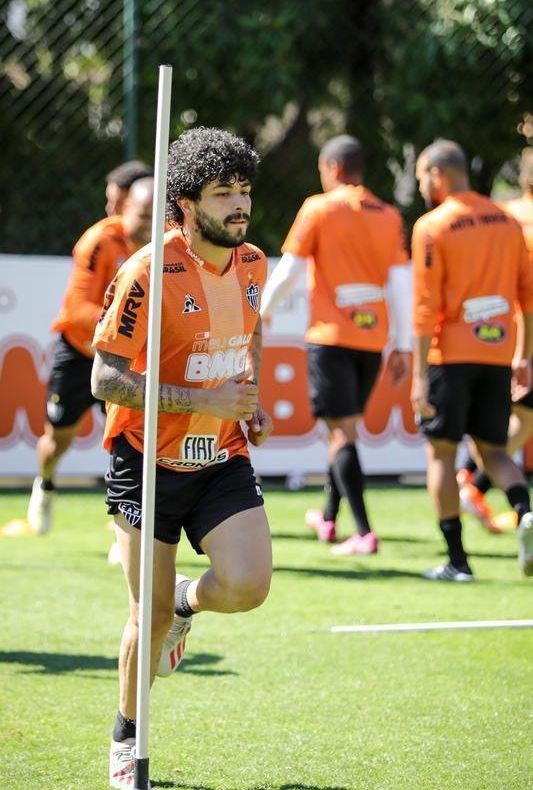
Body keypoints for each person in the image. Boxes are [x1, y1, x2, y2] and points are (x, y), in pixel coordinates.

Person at [90, 127, 273, 789]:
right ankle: (126, 739)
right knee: (148, 614)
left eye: (244, 189)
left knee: (249, 587)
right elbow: (104, 380)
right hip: (144, 460)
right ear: (188, 205)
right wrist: (201, 395)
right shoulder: (147, 270)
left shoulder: (253, 263)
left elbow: (249, 340)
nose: (239, 203)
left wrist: (248, 401)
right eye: (223, 192)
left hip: (219, 455)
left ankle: (187, 608)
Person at [260, 135, 411, 555]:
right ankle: (328, 518)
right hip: (373, 339)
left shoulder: (319, 208)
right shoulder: (388, 214)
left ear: (331, 168)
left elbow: (291, 267)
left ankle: (363, 533)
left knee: (342, 433)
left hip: (330, 338)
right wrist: (401, 343)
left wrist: (262, 312)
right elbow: (400, 284)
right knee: (343, 431)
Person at [411, 139, 533, 581]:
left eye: (423, 176)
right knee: (495, 451)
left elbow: (425, 309)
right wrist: (523, 355)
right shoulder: (506, 219)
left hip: (451, 355)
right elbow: (526, 296)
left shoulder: (432, 225)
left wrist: (420, 376)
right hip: (498, 353)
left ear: (438, 176)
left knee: (442, 453)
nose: (422, 185)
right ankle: (525, 511)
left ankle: (457, 560)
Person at [27, 176, 155, 534]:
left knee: (130, 440)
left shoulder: (168, 247)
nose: (148, 224)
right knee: (58, 439)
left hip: (127, 359)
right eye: (143, 215)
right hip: (81, 351)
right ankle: (46, 485)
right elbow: (77, 307)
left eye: (156, 216)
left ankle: (126, 526)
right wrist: (128, 325)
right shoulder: (99, 241)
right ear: (125, 208)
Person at [457, 147, 533, 532]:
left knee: (517, 419)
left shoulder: (503, 216)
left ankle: (474, 482)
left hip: (500, 333)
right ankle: (474, 483)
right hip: (523, 335)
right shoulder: (507, 218)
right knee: (515, 422)